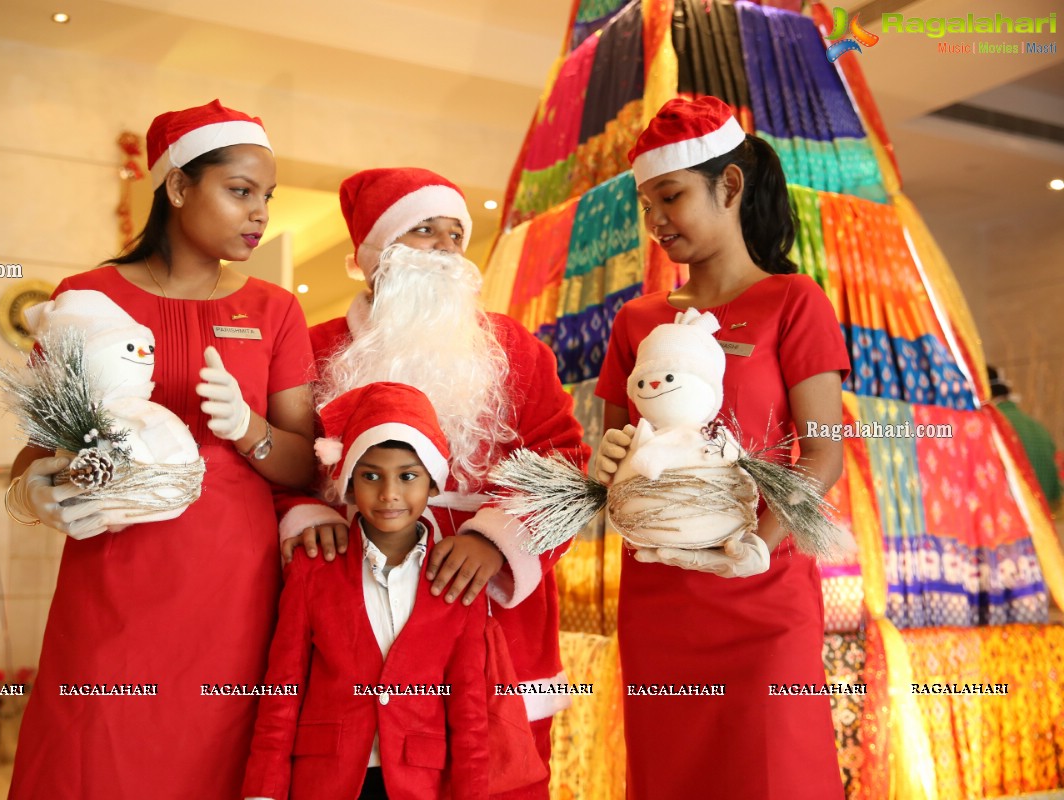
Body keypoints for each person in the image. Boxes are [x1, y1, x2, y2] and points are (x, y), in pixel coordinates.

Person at [4, 100, 317, 800]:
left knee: (215, 760)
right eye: (240, 191)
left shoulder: (275, 310)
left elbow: (306, 461)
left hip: (234, 591)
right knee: (94, 755)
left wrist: (248, 431)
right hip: (111, 578)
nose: (260, 212)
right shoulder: (86, 297)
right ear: (177, 187)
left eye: (266, 196)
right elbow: (34, 456)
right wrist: (48, 491)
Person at [275, 167, 588, 797]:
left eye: (456, 234)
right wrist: (308, 522)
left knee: (492, 775)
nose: (447, 249)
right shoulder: (311, 350)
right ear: (374, 256)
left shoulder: (514, 348)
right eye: (424, 231)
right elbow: (279, 468)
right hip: (353, 612)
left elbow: (566, 464)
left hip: (493, 617)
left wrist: (496, 540)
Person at [594, 95, 848, 799]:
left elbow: (822, 454)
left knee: (777, 771)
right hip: (662, 592)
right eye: (647, 203)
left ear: (729, 187)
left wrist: (755, 546)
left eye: (670, 197)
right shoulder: (637, 320)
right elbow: (618, 448)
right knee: (672, 771)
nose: (655, 221)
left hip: (765, 595)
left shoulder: (795, 302)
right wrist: (605, 468)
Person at [243, 381, 488, 800]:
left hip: (418, 783)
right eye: (371, 476)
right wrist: (263, 792)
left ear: (432, 484)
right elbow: (282, 691)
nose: (389, 493)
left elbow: (469, 708)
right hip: (325, 780)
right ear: (350, 484)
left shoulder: (456, 576)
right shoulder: (312, 569)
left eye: (408, 476)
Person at [989, 364, 1062, 509]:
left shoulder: (990, 428)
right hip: (1041, 522)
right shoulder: (1038, 429)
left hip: (1010, 521)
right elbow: (1056, 492)